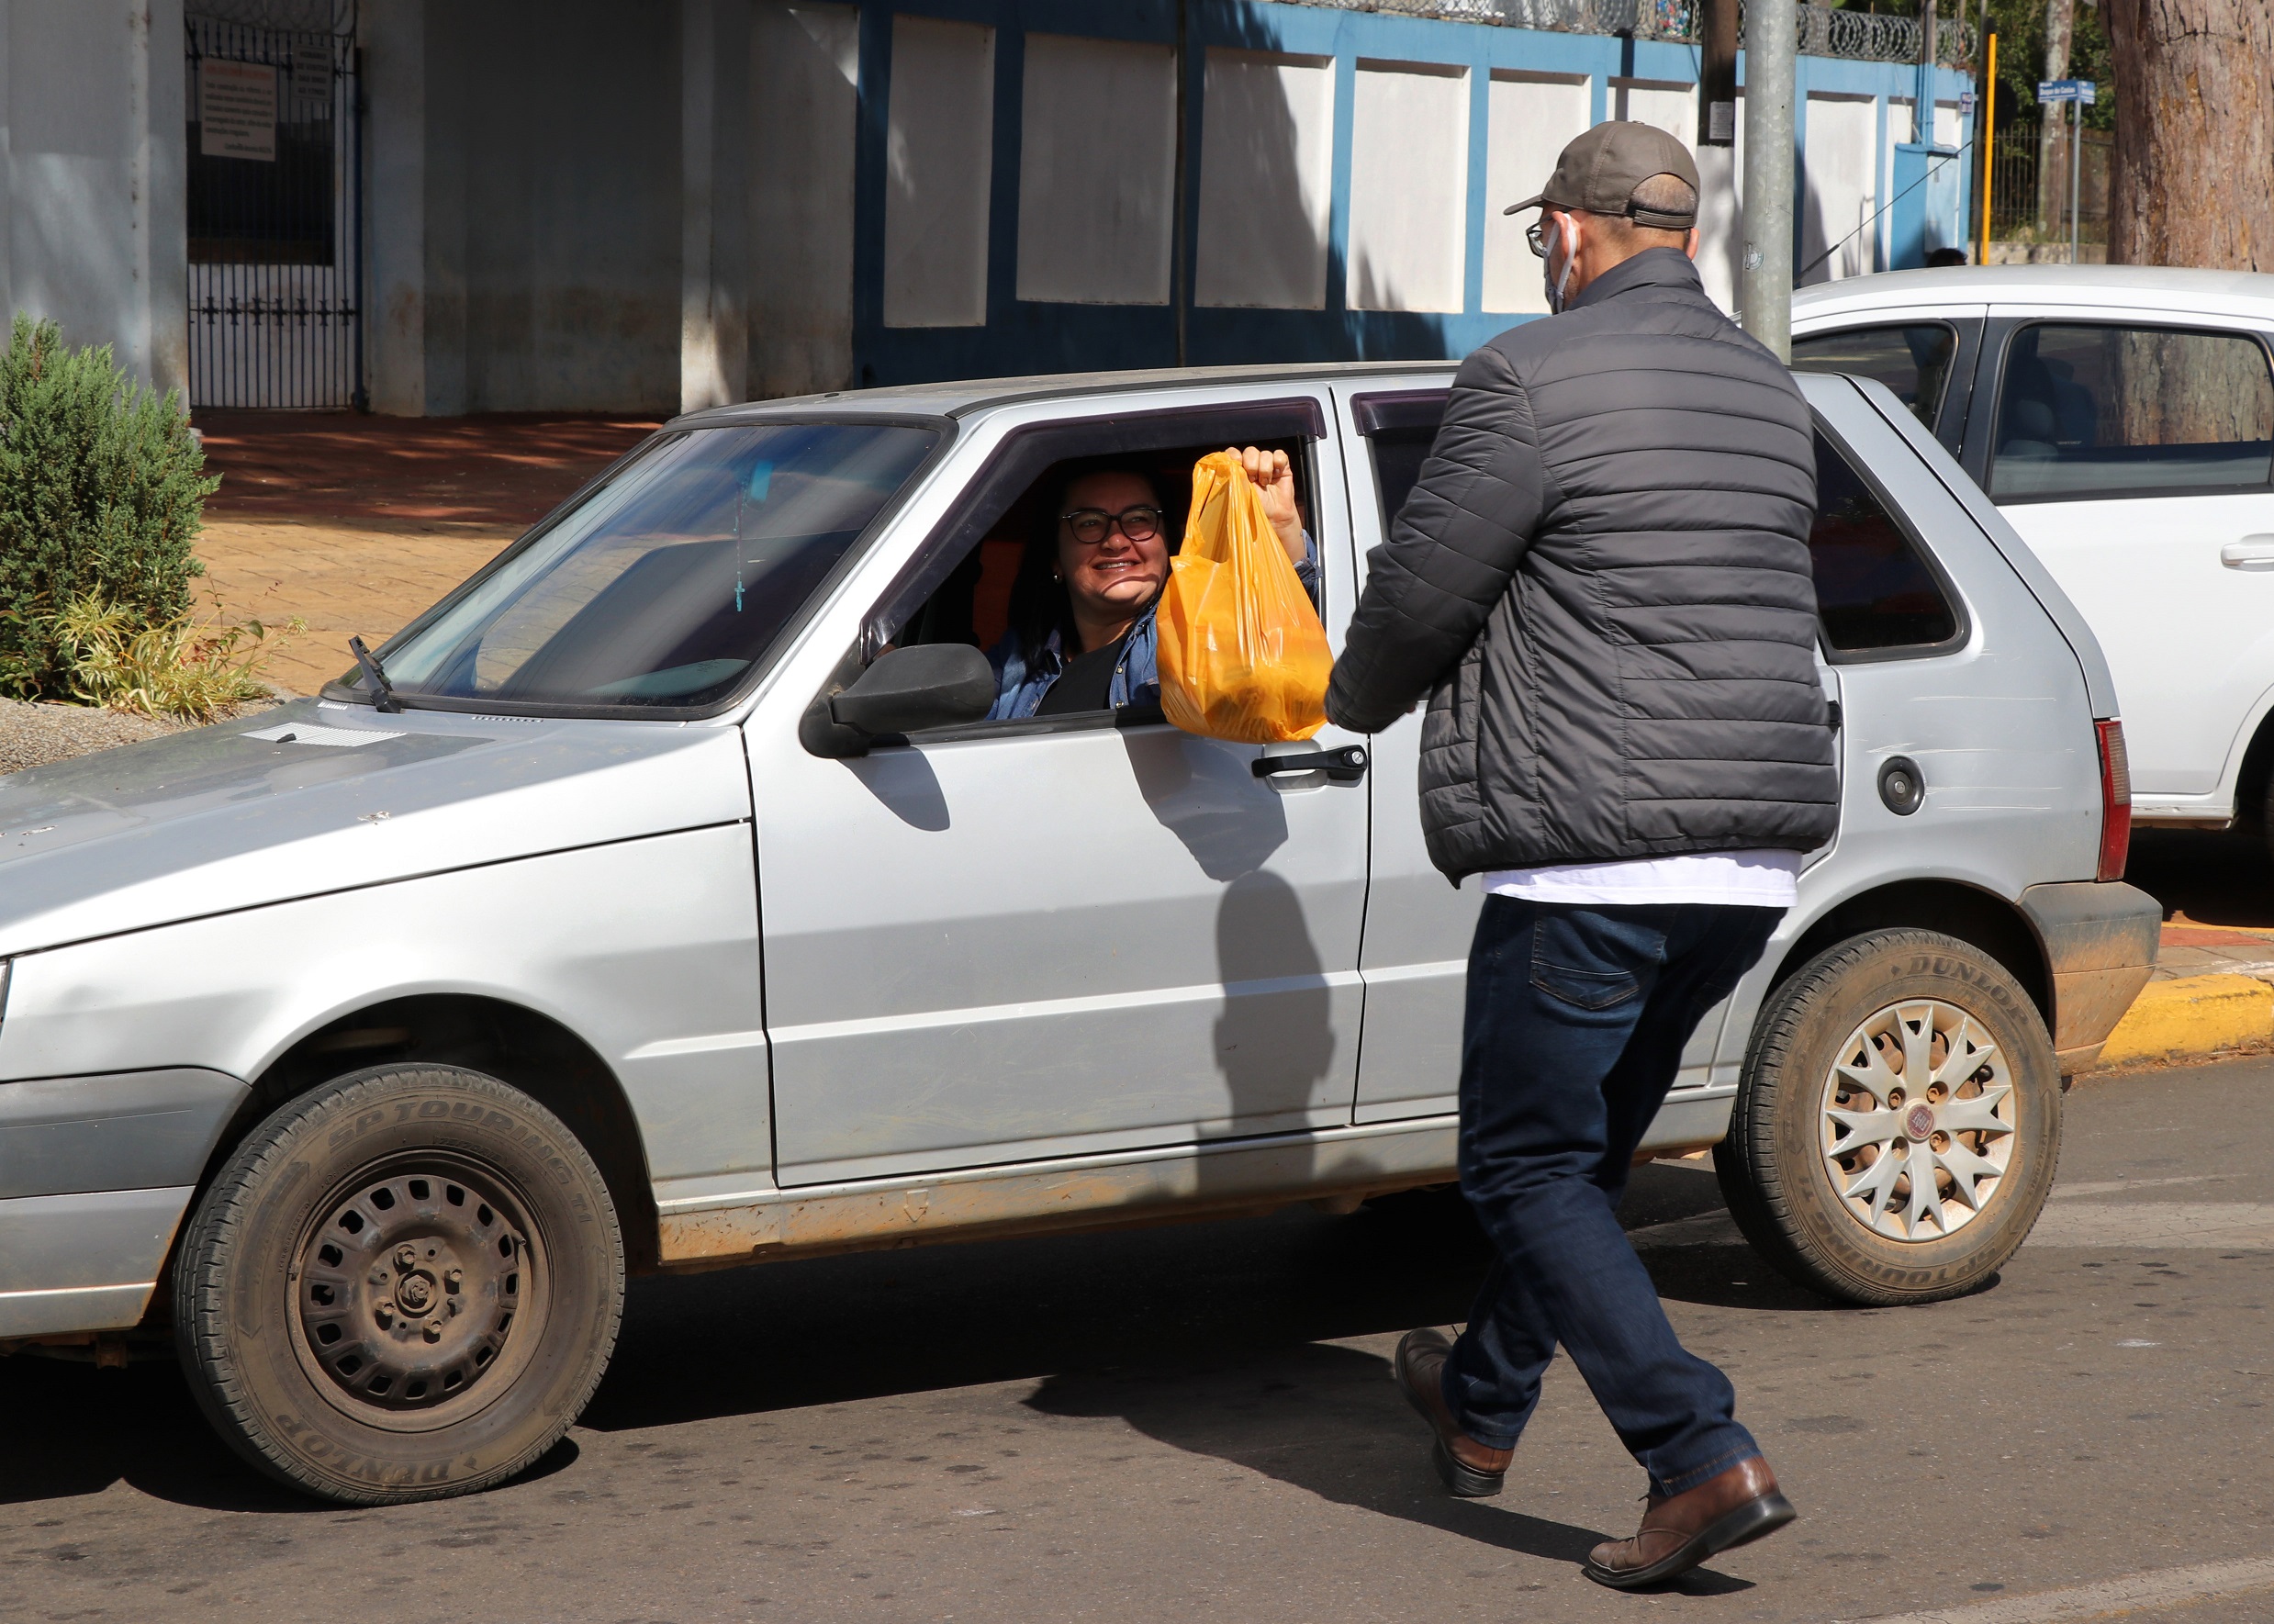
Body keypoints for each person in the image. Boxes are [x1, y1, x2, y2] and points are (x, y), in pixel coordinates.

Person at [1324, 121, 1837, 1591]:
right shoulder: (1765, 385)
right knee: (1584, 1157)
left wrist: (1339, 698)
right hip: (1742, 864)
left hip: (1590, 860)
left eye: (1540, 229)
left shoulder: (1525, 378)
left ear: (1573, 229)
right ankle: (1478, 1402)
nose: (1539, 252)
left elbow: (1427, 590)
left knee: (1520, 1166)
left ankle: (1696, 1454)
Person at [988, 448, 1316, 720]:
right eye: (1089, 523)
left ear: (1167, 543)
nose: (1116, 541)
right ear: (1055, 557)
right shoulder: (1018, 659)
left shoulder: (1199, 632)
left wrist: (1281, 530)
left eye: (1138, 518)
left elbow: (1289, 634)